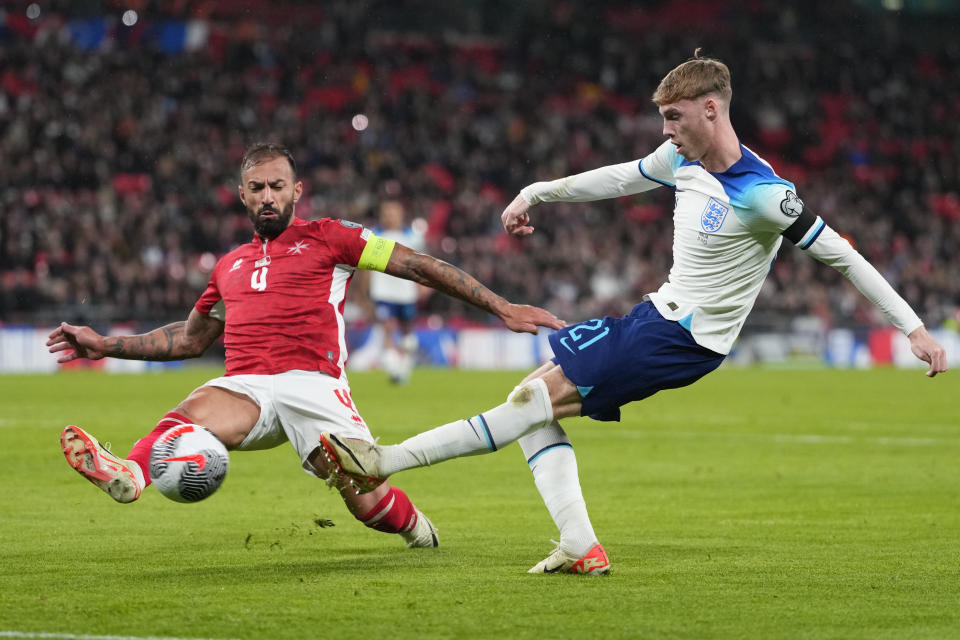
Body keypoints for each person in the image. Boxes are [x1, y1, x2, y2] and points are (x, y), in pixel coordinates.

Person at [318, 52, 949, 572]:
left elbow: (841, 255)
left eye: (675, 118)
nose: (667, 131)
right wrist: (539, 191)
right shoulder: (681, 160)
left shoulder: (767, 196)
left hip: (682, 338)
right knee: (534, 407)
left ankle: (385, 462)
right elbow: (619, 179)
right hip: (656, 318)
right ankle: (578, 544)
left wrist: (913, 328)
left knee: (530, 404)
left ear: (711, 109)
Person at [47, 142, 563, 550]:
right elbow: (188, 338)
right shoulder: (228, 266)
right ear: (242, 195)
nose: (267, 195)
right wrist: (104, 345)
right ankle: (131, 476)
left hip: (313, 385)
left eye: (277, 186)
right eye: (257, 187)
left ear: (297, 190)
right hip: (246, 386)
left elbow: (416, 264)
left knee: (365, 499)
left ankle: (415, 529)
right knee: (187, 412)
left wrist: (501, 306)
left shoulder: (332, 237)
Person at [365, 199, 426, 385]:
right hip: (383, 291)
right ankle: (393, 371)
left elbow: (423, 263)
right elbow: (366, 266)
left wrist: (422, 286)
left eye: (393, 213)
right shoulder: (374, 236)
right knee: (388, 329)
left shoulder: (413, 236)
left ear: (401, 215)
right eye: (387, 213)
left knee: (408, 332)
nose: (390, 217)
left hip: (405, 291)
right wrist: (367, 289)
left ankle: (404, 366)